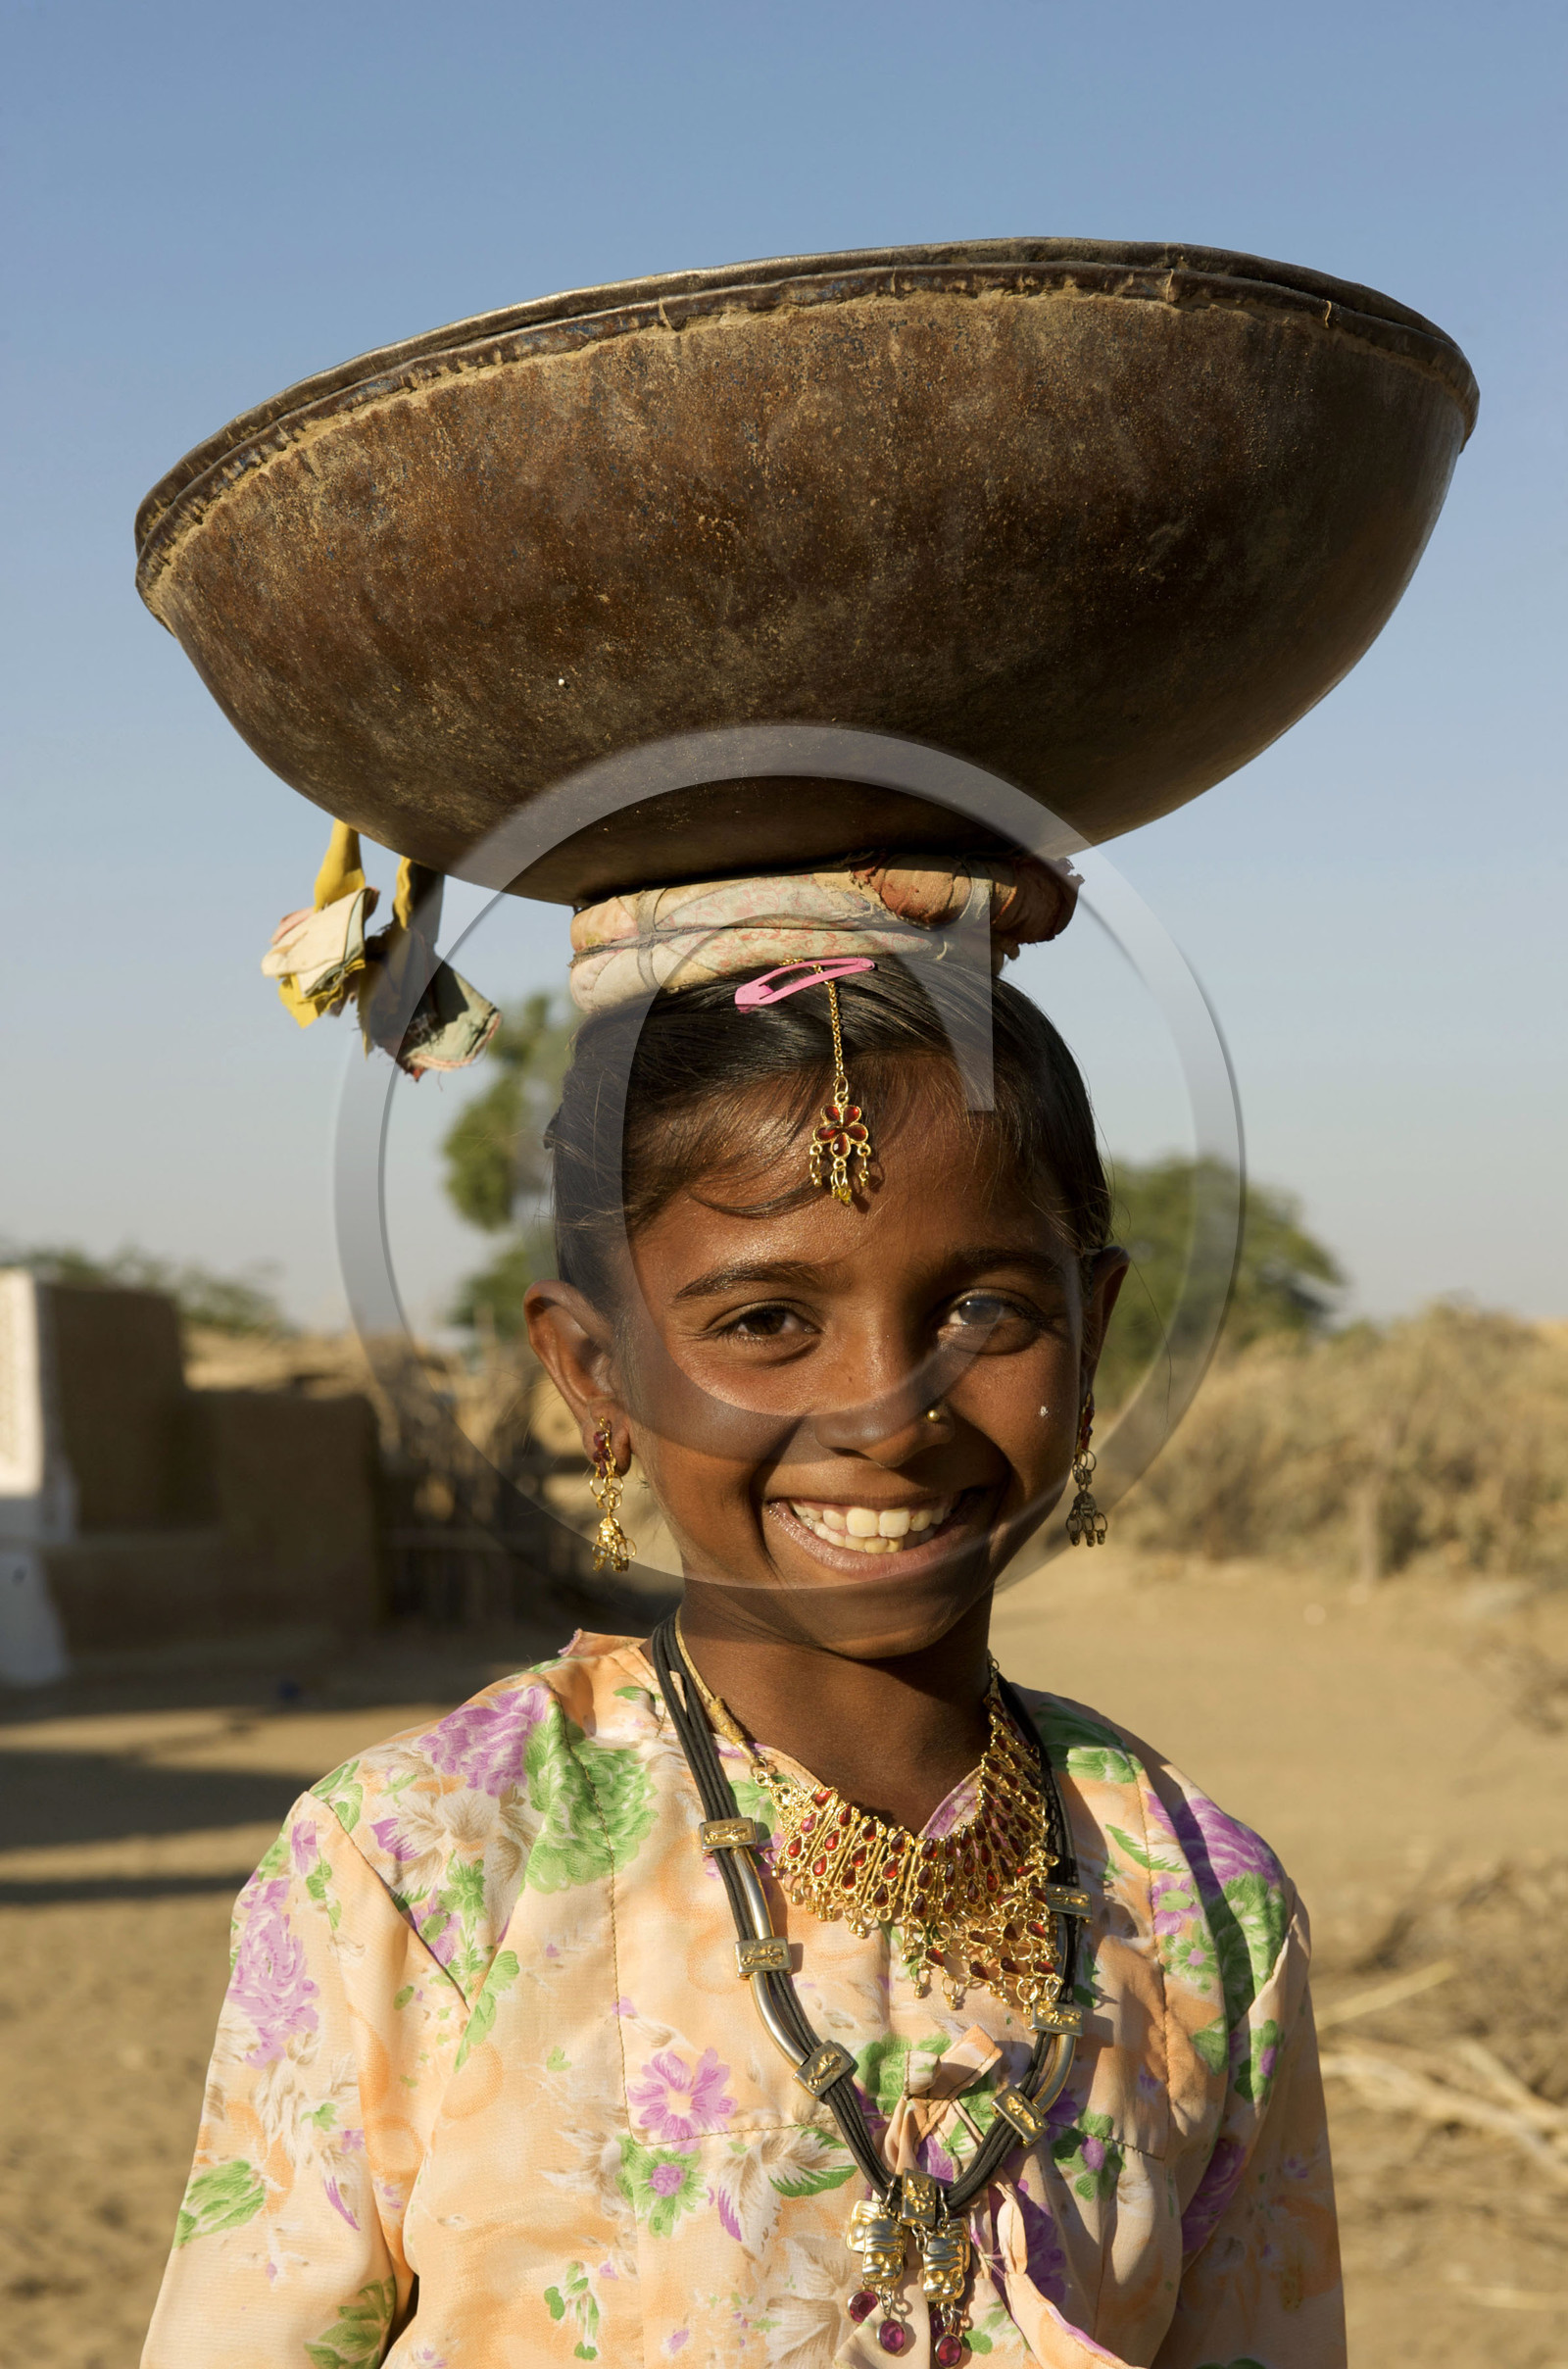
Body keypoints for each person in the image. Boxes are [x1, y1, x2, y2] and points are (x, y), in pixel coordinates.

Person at [141, 877, 1344, 2369]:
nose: (887, 1412)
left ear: (1091, 1339)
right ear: (596, 1372)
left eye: (983, 1311)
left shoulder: (1204, 1905)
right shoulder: (423, 1865)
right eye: (767, 1321)